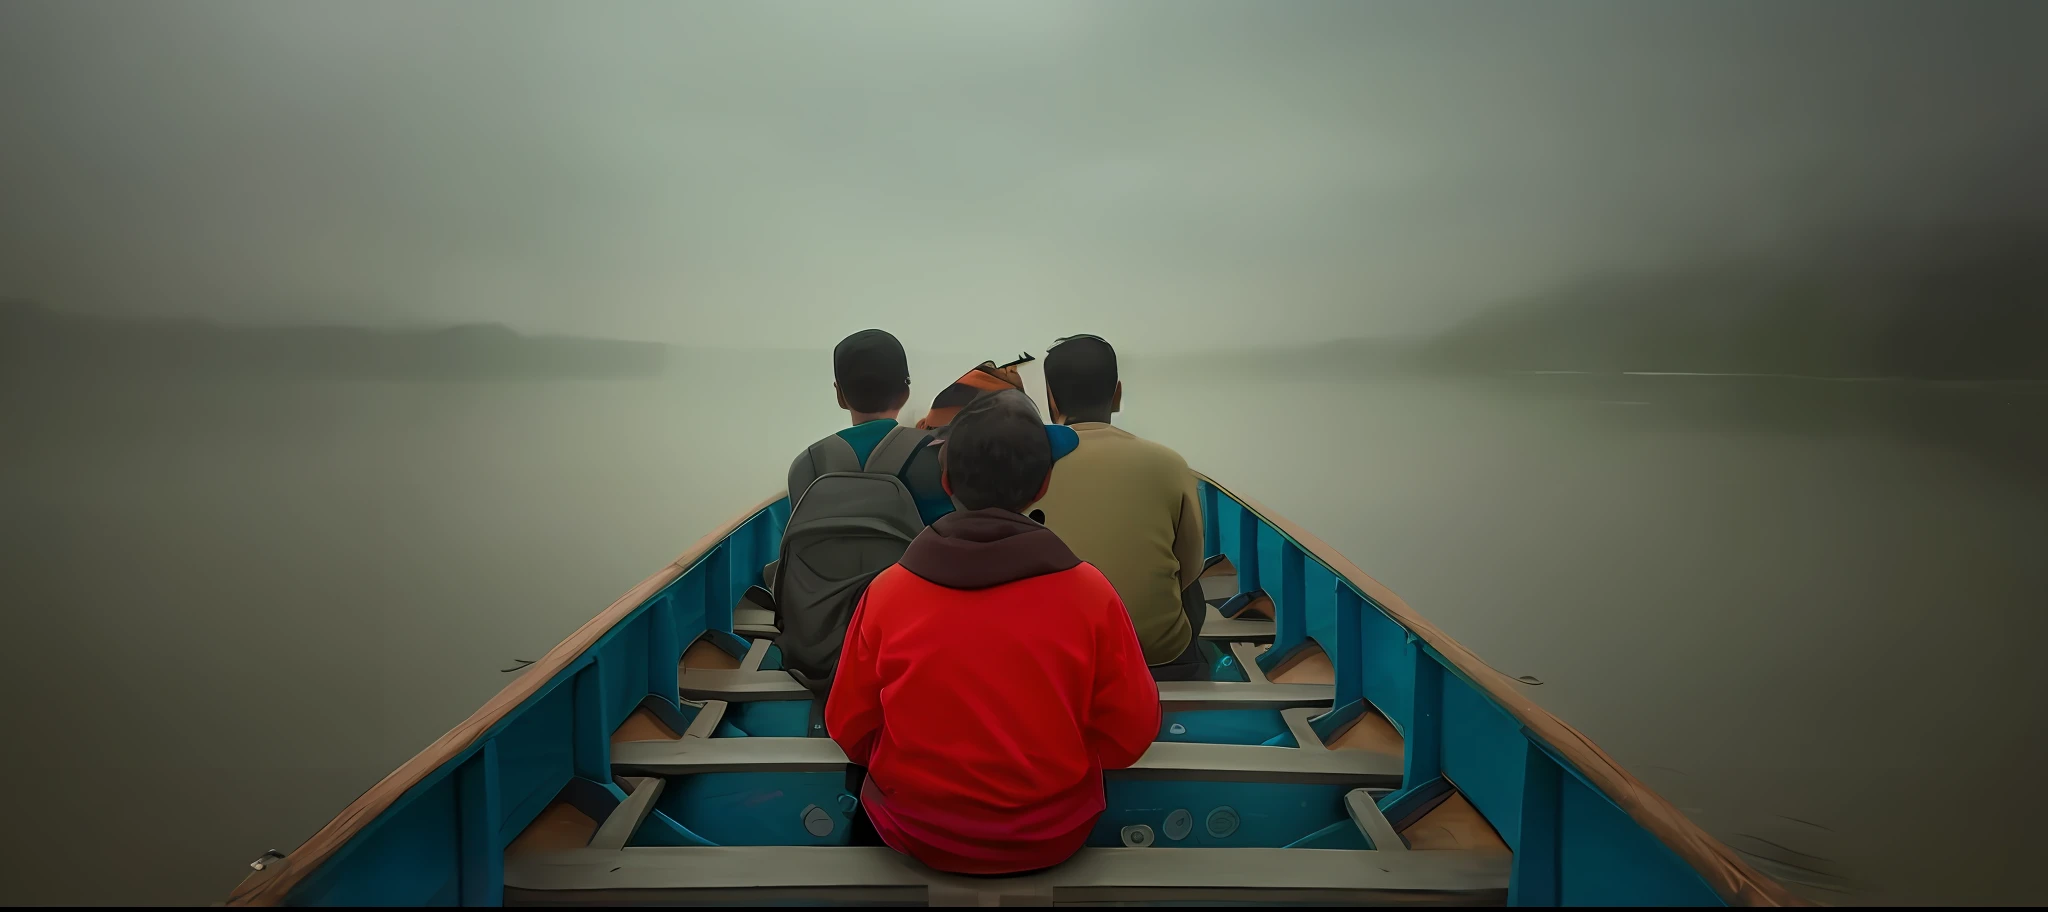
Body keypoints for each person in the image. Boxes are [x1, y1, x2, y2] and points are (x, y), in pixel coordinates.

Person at [826, 389, 1160, 875]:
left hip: (913, 831)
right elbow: (1130, 738)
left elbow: (848, 727)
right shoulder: (1090, 592)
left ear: (945, 482)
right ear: (1043, 485)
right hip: (1053, 835)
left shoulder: (888, 590)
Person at [770, 330, 950, 710]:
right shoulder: (938, 460)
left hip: (820, 653)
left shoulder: (806, 466)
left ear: (839, 394)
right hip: (911, 653)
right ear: (905, 392)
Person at [1030, 334, 1210, 681]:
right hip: (1155, 650)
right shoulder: (1169, 464)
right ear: (1117, 394)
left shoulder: (1029, 464)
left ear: (1051, 399)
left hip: (1055, 651)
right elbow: (1190, 566)